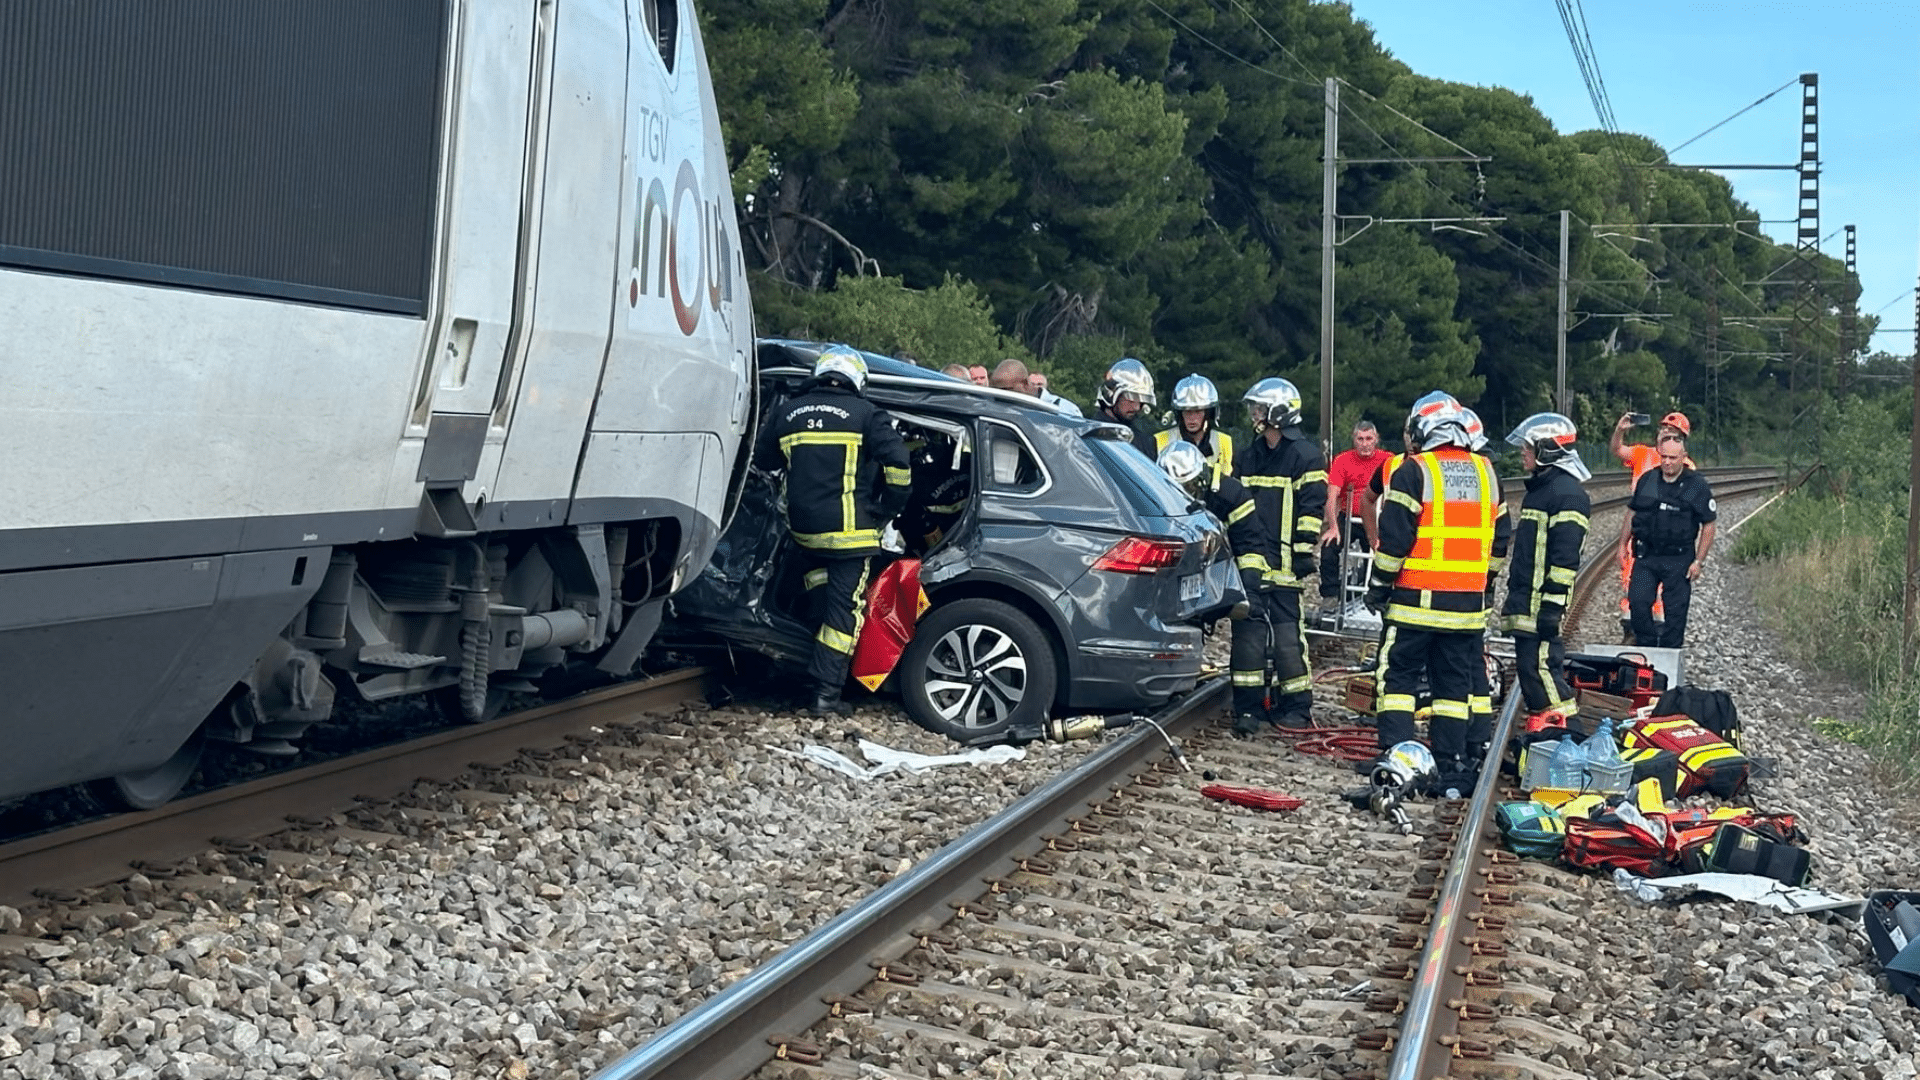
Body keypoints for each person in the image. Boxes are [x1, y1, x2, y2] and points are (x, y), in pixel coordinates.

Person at [753, 345, 913, 717]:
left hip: (804, 534)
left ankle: (800, 669)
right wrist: (886, 508)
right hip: (850, 537)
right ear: (857, 378)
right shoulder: (867, 415)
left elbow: (762, 462)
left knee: (820, 600)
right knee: (843, 614)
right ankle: (826, 695)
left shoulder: (787, 412)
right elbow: (900, 466)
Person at [1365, 391, 1510, 791]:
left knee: (1398, 683)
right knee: (1452, 688)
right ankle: (1448, 761)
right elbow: (1500, 542)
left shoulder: (1414, 471)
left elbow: (1394, 540)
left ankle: (1396, 757)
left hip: (1414, 604)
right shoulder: (1486, 473)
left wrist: (1378, 586)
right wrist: (1486, 584)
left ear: (1423, 429)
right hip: (1465, 609)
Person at [1156, 442, 1285, 733]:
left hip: (1232, 572)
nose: (1185, 493)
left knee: (1250, 627)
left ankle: (1249, 711)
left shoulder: (1232, 494)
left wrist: (1247, 592)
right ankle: (1164, 691)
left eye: (1189, 486)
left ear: (1200, 478)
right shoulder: (1160, 495)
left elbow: (1251, 545)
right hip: (1187, 572)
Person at [1233, 377, 1326, 732]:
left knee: (1288, 643)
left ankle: (1297, 708)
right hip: (1252, 568)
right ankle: (1248, 710)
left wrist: (1302, 553)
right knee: (1248, 644)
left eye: (1258, 407)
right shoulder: (1248, 455)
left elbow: (1312, 507)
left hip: (1286, 569)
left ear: (1277, 412)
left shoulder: (1305, 456)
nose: (1253, 413)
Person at [1501, 413, 1592, 727]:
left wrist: (1552, 609)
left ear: (1547, 450)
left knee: (1541, 672)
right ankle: (1548, 734)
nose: (1523, 452)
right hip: (1528, 603)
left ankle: (1568, 734)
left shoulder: (1567, 495)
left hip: (1540, 606)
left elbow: (1565, 559)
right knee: (1531, 672)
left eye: (1529, 447)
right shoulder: (1542, 491)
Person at [1623, 437, 1717, 648]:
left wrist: (1699, 561)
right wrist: (1622, 545)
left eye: (1673, 458)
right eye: (1663, 457)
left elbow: (1709, 525)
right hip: (1647, 555)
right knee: (1637, 602)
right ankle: (1646, 647)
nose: (1667, 462)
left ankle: (1669, 655)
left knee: (1675, 612)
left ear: (1683, 458)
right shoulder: (1648, 480)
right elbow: (1632, 512)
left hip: (1679, 558)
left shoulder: (1696, 486)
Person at [1611, 411, 1693, 635]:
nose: (1666, 433)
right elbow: (1618, 450)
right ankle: (1633, 615)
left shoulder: (1686, 466)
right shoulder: (1642, 454)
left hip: (1667, 533)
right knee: (1631, 573)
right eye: (1664, 429)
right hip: (1641, 527)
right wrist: (1620, 430)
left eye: (1673, 432)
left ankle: (1657, 615)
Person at [1318, 421, 1384, 608]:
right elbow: (1332, 496)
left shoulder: (1387, 460)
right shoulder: (1343, 460)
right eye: (1360, 439)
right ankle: (1330, 595)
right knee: (1329, 546)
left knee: (1381, 552)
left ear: (1376, 440)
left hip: (1374, 517)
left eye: (1369, 438)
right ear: (1354, 440)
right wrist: (1332, 527)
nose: (1365, 443)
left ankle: (1373, 591)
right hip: (1348, 515)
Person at [1154, 374, 1234, 484]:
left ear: (1208, 413)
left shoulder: (1224, 443)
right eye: (1187, 411)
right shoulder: (1160, 440)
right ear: (1179, 413)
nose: (1192, 418)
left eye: (1197, 411)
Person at [1094, 357, 1159, 457]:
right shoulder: (1090, 436)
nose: (1137, 407)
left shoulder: (1145, 443)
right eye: (1131, 398)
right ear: (1113, 394)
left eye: (1141, 400)